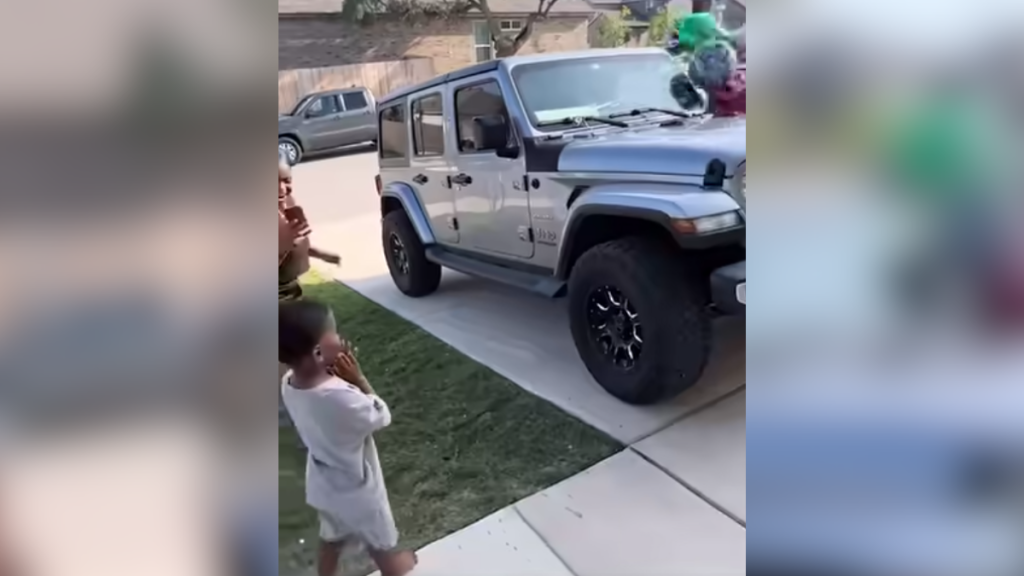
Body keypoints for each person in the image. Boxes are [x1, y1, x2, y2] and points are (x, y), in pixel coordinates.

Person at [278, 300, 417, 576]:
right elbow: (380, 415)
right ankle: (396, 568)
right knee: (380, 544)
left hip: (325, 486)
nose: (341, 338)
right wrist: (358, 379)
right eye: (334, 332)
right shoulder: (342, 397)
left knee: (332, 538)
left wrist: (330, 371)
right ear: (318, 351)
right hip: (358, 491)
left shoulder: (289, 383)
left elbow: (320, 396)